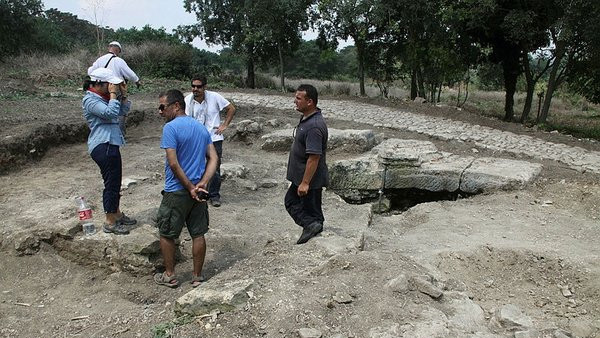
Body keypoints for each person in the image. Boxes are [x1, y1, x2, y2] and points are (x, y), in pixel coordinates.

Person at [154, 89, 218, 288]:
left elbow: (173, 164)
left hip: (177, 190)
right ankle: (197, 276)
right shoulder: (200, 128)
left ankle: (170, 275)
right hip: (198, 191)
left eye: (163, 107)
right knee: (198, 233)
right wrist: (203, 183)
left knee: (166, 233)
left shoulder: (170, 129)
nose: (160, 111)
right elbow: (214, 158)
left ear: (176, 106)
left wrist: (190, 187)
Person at [82, 68, 137, 235]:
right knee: (111, 184)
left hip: (111, 143)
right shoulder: (90, 100)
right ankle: (110, 221)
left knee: (115, 181)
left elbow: (122, 111)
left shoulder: (104, 98)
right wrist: (113, 96)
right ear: (99, 83)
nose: (113, 87)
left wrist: (123, 96)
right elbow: (110, 112)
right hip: (102, 144)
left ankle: (117, 213)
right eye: (110, 84)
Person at [285, 84, 328, 245]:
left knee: (292, 202)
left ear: (309, 102)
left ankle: (312, 227)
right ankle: (313, 228)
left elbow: (314, 157)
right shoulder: (308, 119)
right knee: (310, 208)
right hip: (304, 177)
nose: (295, 101)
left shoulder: (314, 127)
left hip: (309, 179)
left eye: (298, 98)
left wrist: (305, 183)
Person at [184, 75, 235, 207]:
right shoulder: (187, 100)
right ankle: (196, 192)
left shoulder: (214, 97)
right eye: (193, 86)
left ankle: (214, 195)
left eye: (199, 86)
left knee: (215, 167)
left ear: (205, 87)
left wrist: (224, 125)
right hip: (195, 139)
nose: (195, 89)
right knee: (195, 165)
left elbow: (231, 108)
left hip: (213, 137)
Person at [88, 41, 141, 136]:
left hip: (101, 90)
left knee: (103, 111)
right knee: (119, 112)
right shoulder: (119, 61)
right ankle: (119, 133)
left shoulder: (100, 59)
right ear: (117, 50)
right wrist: (137, 81)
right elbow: (130, 74)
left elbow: (90, 71)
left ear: (109, 48)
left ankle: (104, 132)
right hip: (115, 89)